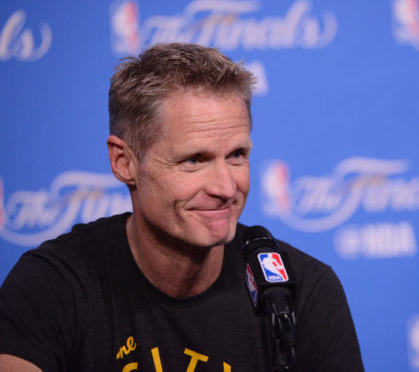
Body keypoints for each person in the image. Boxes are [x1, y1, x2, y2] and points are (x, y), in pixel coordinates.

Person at [0, 43, 364, 372]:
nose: (226, 188)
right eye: (194, 160)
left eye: (237, 155)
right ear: (124, 162)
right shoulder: (51, 287)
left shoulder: (300, 291)